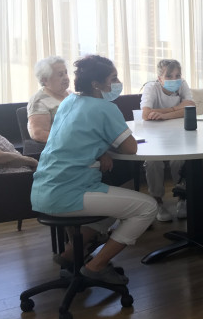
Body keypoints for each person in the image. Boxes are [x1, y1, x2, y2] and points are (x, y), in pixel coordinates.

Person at [30, 55, 157, 285]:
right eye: (113, 78)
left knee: (114, 204)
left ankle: (69, 256)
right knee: (147, 208)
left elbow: (72, 137)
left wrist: (102, 150)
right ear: (96, 84)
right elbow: (130, 148)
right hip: (68, 193)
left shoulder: (69, 102)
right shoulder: (105, 108)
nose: (116, 83)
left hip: (43, 189)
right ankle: (95, 266)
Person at [140, 59, 195, 222]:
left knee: (178, 160)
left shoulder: (182, 84)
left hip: (178, 133)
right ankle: (157, 201)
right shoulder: (151, 87)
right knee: (152, 163)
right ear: (159, 78)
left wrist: (163, 115)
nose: (174, 79)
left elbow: (190, 107)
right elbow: (146, 114)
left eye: (177, 75)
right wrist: (178, 108)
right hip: (153, 135)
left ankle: (181, 198)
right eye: (169, 76)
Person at [27, 56, 71, 144]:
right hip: (62, 146)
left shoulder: (71, 94)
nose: (66, 77)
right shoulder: (38, 101)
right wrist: (70, 141)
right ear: (45, 80)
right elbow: (38, 134)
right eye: (60, 74)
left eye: (66, 73)